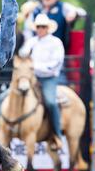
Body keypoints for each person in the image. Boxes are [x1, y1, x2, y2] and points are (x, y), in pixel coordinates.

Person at [19, 13, 64, 150]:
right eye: (38, 26)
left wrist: (35, 66)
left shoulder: (56, 42)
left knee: (50, 101)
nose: (40, 29)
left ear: (48, 28)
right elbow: (22, 54)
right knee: (8, 95)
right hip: (31, 77)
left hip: (48, 78)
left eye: (43, 26)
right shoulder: (31, 41)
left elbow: (55, 64)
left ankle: (57, 134)